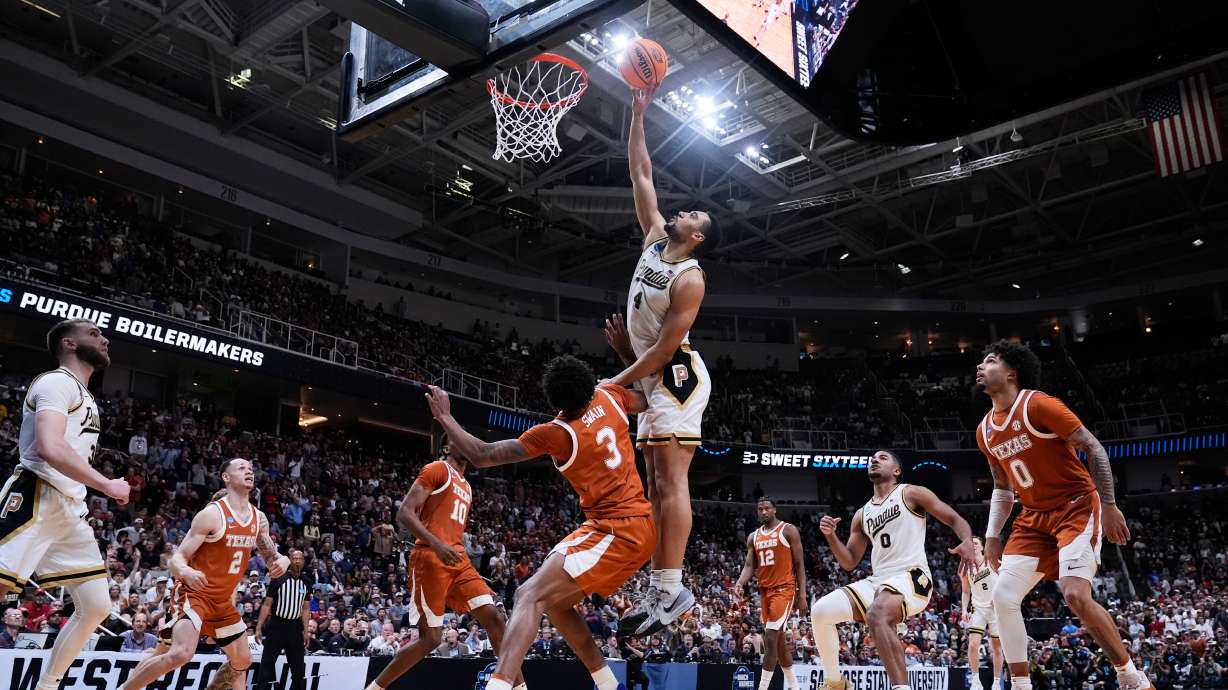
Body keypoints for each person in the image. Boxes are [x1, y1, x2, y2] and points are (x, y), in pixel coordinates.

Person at [424, 354, 656, 690]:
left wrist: (444, 416)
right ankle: (608, 684)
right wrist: (625, 353)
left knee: (528, 595)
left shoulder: (557, 433)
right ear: (588, 385)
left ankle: (501, 686)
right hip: (622, 522)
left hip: (621, 529)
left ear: (553, 399)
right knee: (554, 604)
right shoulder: (609, 394)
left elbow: (482, 454)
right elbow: (646, 398)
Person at [606, 83, 720, 638]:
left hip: (675, 377)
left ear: (695, 235)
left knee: (672, 484)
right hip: (652, 379)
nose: (680, 209)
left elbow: (667, 349)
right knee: (656, 484)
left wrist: (616, 378)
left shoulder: (690, 277)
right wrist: (638, 115)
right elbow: (641, 174)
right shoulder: (654, 240)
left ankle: (672, 589)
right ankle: (660, 589)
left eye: (691, 213)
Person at [973, 341, 1150, 690]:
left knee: (1074, 595)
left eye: (990, 361)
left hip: (1075, 506)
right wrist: (993, 534)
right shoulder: (985, 431)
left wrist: (1110, 505)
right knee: (1003, 597)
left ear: (1012, 373)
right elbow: (1002, 488)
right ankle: (1021, 686)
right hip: (1033, 518)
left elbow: (1094, 447)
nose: (980, 366)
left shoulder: (1037, 404)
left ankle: (1130, 674)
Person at [0, 319, 130, 690]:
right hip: (36, 494)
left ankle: (47, 686)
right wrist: (106, 484)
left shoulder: (85, 395)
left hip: (71, 508)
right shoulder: (56, 381)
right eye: (94, 333)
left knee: (96, 606)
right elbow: (49, 447)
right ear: (69, 344)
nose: (104, 338)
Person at [362, 436, 524, 690]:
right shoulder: (438, 469)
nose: (468, 443)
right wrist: (436, 543)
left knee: (495, 618)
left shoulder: (468, 487)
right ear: (447, 447)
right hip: (430, 557)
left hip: (458, 561)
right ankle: (375, 688)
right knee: (430, 639)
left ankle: (518, 687)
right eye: (460, 439)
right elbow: (404, 512)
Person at [810, 450, 975, 690]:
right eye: (872, 459)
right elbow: (849, 562)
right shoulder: (862, 514)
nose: (874, 460)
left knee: (876, 613)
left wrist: (968, 540)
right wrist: (831, 536)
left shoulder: (911, 492)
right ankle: (835, 683)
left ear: (896, 471)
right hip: (879, 581)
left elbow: (953, 518)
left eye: (883, 458)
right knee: (821, 612)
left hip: (912, 576)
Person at [119, 458, 289, 690]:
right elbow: (176, 559)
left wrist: (284, 560)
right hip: (194, 594)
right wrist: (187, 572)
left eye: (250, 468)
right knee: (180, 653)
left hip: (222, 601)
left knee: (243, 660)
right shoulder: (211, 515)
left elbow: (272, 556)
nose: (249, 471)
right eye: (241, 468)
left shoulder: (258, 518)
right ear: (226, 478)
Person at [733, 497, 806, 690]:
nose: (763, 512)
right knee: (779, 642)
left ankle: (762, 687)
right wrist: (739, 583)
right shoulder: (753, 537)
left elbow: (799, 564)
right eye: (760, 509)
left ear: (774, 510)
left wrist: (803, 595)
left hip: (784, 589)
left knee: (771, 637)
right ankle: (795, 687)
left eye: (767, 508)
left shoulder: (788, 530)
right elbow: (749, 566)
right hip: (764, 592)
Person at [255, 550, 312, 690]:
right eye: (294, 558)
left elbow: (305, 609)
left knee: (298, 669)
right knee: (267, 665)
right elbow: (267, 604)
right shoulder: (278, 578)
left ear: (303, 562)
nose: (297, 561)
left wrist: (306, 630)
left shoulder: (307, 582)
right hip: (277, 626)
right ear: (290, 561)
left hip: (295, 627)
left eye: (300, 558)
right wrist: (258, 627)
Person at [960, 537, 1003, 690]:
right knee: (973, 645)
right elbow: (965, 591)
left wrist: (999, 595)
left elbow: (1006, 577)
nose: (973, 546)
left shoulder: (991, 560)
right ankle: (976, 681)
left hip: (995, 608)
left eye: (976, 543)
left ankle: (997, 682)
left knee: (997, 648)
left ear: (982, 547)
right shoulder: (965, 568)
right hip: (978, 608)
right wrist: (964, 609)